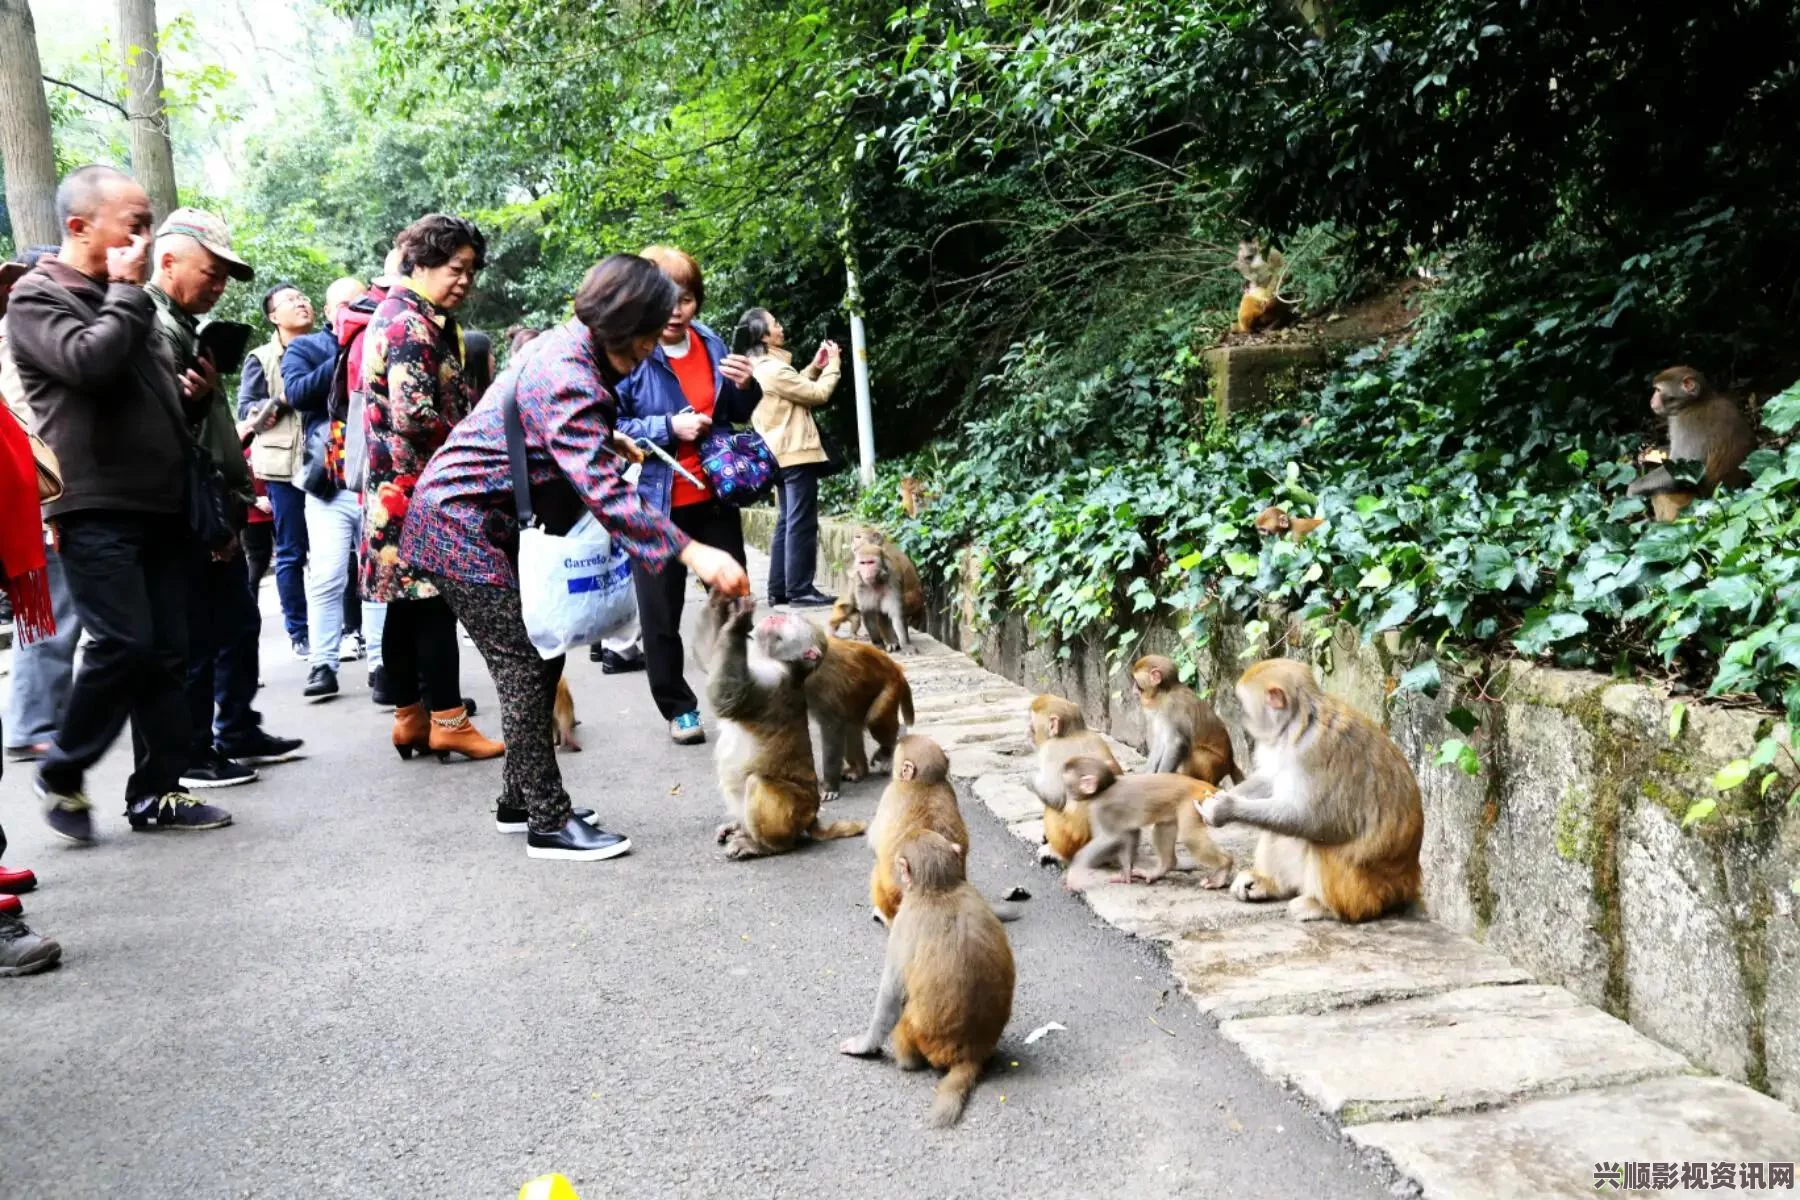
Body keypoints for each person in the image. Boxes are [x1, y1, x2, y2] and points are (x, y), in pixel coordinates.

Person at [403, 254, 750, 859]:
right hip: (458, 527)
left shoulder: (572, 348)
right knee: (523, 666)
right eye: (646, 337)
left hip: (480, 521)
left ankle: (520, 800)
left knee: (539, 659)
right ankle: (548, 821)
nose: (649, 351)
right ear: (621, 325)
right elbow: (607, 493)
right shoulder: (569, 370)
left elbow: (541, 421)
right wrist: (692, 552)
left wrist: (610, 436)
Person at [8, 165, 229, 835]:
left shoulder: (120, 298)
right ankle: (63, 766)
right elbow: (87, 365)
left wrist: (188, 402)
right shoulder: (37, 297)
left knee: (168, 650)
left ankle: (157, 792)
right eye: (134, 224)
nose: (143, 236)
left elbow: (139, 397)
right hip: (94, 502)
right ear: (80, 226)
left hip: (160, 501)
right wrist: (129, 292)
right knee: (124, 644)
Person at [146, 208, 304, 789]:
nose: (217, 287)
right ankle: (191, 752)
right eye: (210, 273)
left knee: (234, 623)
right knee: (196, 637)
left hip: (216, 494)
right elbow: (165, 430)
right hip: (187, 505)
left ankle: (234, 728)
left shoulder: (185, 326)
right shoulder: (151, 325)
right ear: (168, 261)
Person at [360, 213, 500, 760]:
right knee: (436, 601)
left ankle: (409, 718)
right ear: (421, 262)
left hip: (398, 490)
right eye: (454, 267)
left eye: (470, 270)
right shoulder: (409, 324)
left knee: (405, 604)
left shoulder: (416, 316)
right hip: (418, 490)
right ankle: (448, 719)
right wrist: (472, 439)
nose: (463, 279)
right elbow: (413, 414)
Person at [614, 245, 761, 745]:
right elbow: (608, 422)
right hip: (655, 501)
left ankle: (739, 694)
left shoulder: (712, 342)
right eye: (668, 299)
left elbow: (733, 412)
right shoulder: (629, 350)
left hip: (713, 495)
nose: (678, 311)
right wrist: (666, 427)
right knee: (660, 614)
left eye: (688, 299)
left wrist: (747, 387)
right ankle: (678, 707)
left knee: (735, 600)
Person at [2, 245, 82, 764]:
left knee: (60, 606)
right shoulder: (17, 336)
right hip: (39, 487)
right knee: (53, 607)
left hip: (40, 484)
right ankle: (33, 721)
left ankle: (47, 713)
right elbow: (28, 416)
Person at [284, 274, 380, 701]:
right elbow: (298, 393)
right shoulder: (308, 347)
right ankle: (323, 663)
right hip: (330, 482)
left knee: (378, 574)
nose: (353, 311)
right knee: (326, 575)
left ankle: (382, 664)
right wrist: (346, 350)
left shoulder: (383, 337)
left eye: (360, 302)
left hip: (377, 479)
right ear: (328, 313)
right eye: (343, 306)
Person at [744, 307, 841, 608]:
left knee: (787, 522)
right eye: (775, 324)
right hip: (795, 453)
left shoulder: (761, 367)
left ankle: (780, 590)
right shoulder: (772, 369)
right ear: (763, 335)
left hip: (779, 454)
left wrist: (814, 366)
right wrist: (834, 365)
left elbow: (794, 389)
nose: (781, 327)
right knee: (801, 522)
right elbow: (817, 394)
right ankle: (800, 590)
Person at [237, 282, 314, 658]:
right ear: (273, 317)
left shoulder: (328, 345)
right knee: (291, 550)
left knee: (344, 550)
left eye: (303, 298)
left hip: (326, 461)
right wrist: (281, 402)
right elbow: (247, 414)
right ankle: (299, 631)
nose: (302, 302)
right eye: (291, 300)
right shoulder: (261, 357)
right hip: (283, 466)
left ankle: (351, 628)